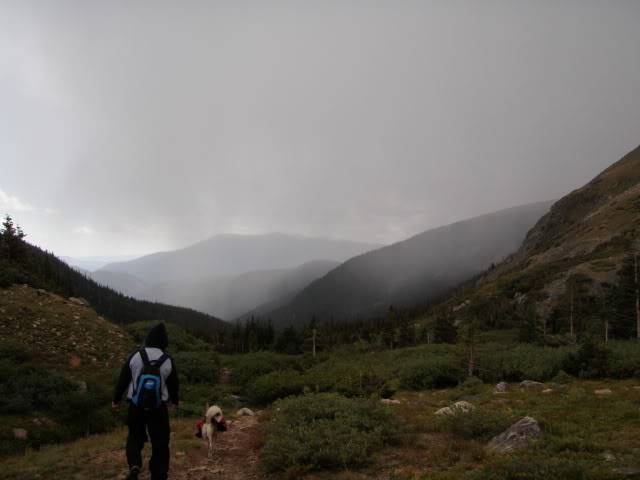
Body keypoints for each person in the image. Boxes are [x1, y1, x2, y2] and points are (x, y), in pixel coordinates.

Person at [113, 323, 179, 480]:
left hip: (136, 406)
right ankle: (159, 474)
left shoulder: (135, 356)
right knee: (161, 442)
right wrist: (175, 401)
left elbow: (123, 380)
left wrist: (116, 400)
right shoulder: (168, 360)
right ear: (164, 341)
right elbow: (174, 385)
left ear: (148, 338)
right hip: (158, 408)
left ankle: (135, 464)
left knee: (134, 436)